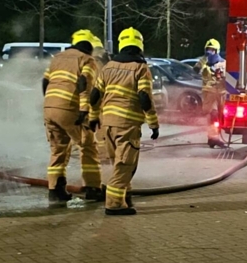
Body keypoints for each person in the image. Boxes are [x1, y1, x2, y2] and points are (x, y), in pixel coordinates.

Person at [89, 27, 160, 216]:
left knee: (118, 163)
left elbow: (94, 95)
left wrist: (93, 117)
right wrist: (153, 123)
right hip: (127, 125)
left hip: (108, 124)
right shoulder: (140, 68)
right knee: (125, 165)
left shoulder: (108, 67)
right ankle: (113, 204)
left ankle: (124, 197)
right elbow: (144, 97)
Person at [43, 29, 104, 206]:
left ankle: (55, 190)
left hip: (49, 108)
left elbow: (45, 82)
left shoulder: (57, 58)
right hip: (70, 107)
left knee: (58, 149)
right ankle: (92, 188)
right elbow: (84, 84)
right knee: (88, 146)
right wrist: (85, 110)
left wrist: (49, 103)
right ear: (89, 47)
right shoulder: (87, 60)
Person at [198, 38, 228, 148]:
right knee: (212, 115)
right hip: (209, 93)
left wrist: (220, 74)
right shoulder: (203, 63)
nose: (210, 52)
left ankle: (214, 137)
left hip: (221, 93)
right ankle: (213, 138)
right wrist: (204, 60)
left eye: (212, 50)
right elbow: (196, 70)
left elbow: (228, 79)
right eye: (208, 50)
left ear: (217, 51)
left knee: (221, 117)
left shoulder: (224, 63)